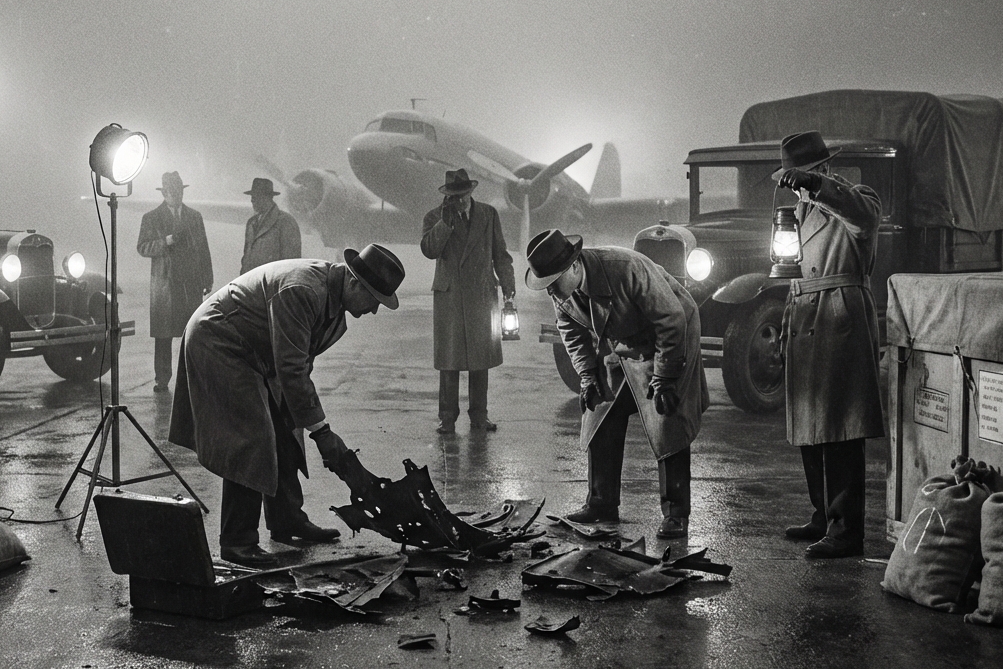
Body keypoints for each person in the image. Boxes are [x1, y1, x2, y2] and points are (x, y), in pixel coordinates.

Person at [168, 244, 406, 567]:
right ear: (353, 283)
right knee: (251, 435)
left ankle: (287, 519)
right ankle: (238, 541)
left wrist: (309, 422)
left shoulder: (334, 304)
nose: (374, 310)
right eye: (374, 300)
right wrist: (323, 433)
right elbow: (291, 368)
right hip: (219, 340)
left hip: (257, 351)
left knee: (285, 428)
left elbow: (297, 366)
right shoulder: (303, 290)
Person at [525, 229, 709, 539]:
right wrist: (588, 376)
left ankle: (677, 514)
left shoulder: (625, 268)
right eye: (546, 286)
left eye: (554, 283)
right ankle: (601, 504)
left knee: (668, 418)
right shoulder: (561, 291)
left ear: (573, 266)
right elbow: (572, 334)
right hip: (623, 339)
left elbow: (671, 318)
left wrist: (665, 376)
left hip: (671, 334)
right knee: (601, 409)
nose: (552, 293)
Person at [773, 130, 885, 558]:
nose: (795, 184)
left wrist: (817, 189)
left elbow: (864, 217)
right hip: (806, 310)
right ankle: (822, 514)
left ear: (821, 170)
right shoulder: (799, 210)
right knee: (811, 425)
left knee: (839, 427)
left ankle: (845, 530)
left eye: (800, 175)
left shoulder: (855, 197)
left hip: (839, 312)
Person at [420, 168, 516, 434]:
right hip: (450, 296)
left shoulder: (488, 214)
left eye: (463, 195)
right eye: (454, 197)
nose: (460, 201)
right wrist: (445, 224)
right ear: (447, 196)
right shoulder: (435, 217)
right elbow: (429, 250)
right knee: (449, 362)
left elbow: (501, 253)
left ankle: (479, 416)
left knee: (479, 359)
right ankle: (447, 418)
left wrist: (509, 286)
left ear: (471, 192)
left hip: (481, 293)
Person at [137, 171, 213, 392]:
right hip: (165, 286)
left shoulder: (194, 217)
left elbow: (204, 250)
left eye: (178, 191)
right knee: (163, 336)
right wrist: (166, 241)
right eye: (171, 191)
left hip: (190, 284)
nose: (175, 195)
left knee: (192, 333)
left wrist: (207, 277)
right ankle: (162, 378)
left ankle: (193, 375)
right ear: (164, 193)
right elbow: (142, 247)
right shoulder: (151, 218)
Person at [240, 177, 302, 275]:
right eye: (252, 196)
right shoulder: (251, 223)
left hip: (273, 286)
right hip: (252, 285)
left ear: (267, 197)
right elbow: (246, 259)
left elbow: (292, 264)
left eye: (256, 196)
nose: (252, 200)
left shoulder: (286, 222)